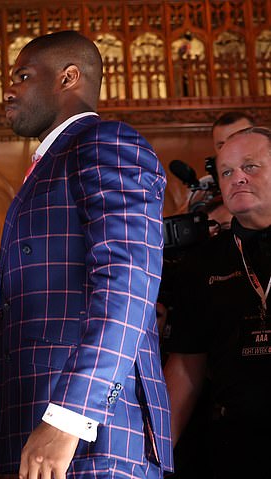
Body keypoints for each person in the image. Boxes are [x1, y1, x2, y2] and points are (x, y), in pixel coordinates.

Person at [0, 31, 172, 478]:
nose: (8, 90)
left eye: (23, 76)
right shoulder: (54, 161)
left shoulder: (105, 142)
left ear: (68, 77)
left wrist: (70, 415)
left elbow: (128, 282)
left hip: (97, 436)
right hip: (45, 429)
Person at [164, 126, 271, 478]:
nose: (237, 177)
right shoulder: (201, 263)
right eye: (226, 172)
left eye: (250, 167)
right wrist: (155, 455)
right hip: (234, 446)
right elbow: (186, 369)